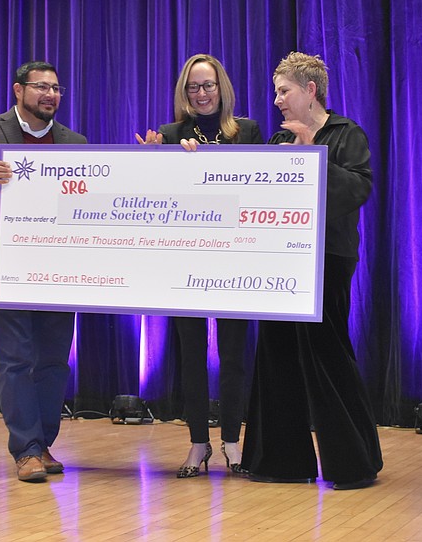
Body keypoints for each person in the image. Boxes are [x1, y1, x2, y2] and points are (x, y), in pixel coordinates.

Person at [240, 52, 383, 489]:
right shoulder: (277, 141)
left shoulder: (345, 133)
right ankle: (279, 462)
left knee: (326, 351)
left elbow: (359, 187)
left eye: (284, 91)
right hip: (280, 261)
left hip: (328, 259)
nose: (277, 100)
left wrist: (312, 159)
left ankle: (353, 463)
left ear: (310, 90)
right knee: (276, 351)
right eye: (276, 92)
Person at [0, 61, 87, 483]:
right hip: (2, 268)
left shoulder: (75, 142)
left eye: (56, 88)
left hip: (58, 269)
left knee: (54, 361)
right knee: (14, 360)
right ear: (18, 90)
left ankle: (42, 444)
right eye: (41, 86)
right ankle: (25, 449)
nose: (50, 94)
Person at [136, 54, 263, 478]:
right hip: (184, 262)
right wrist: (151, 162)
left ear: (221, 88)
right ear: (184, 92)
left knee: (233, 357)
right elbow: (155, 197)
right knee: (190, 356)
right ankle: (197, 444)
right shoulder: (170, 135)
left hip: (234, 261)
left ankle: (231, 442)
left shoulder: (247, 132)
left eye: (208, 85)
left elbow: (260, 188)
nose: (202, 93)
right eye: (193, 86)